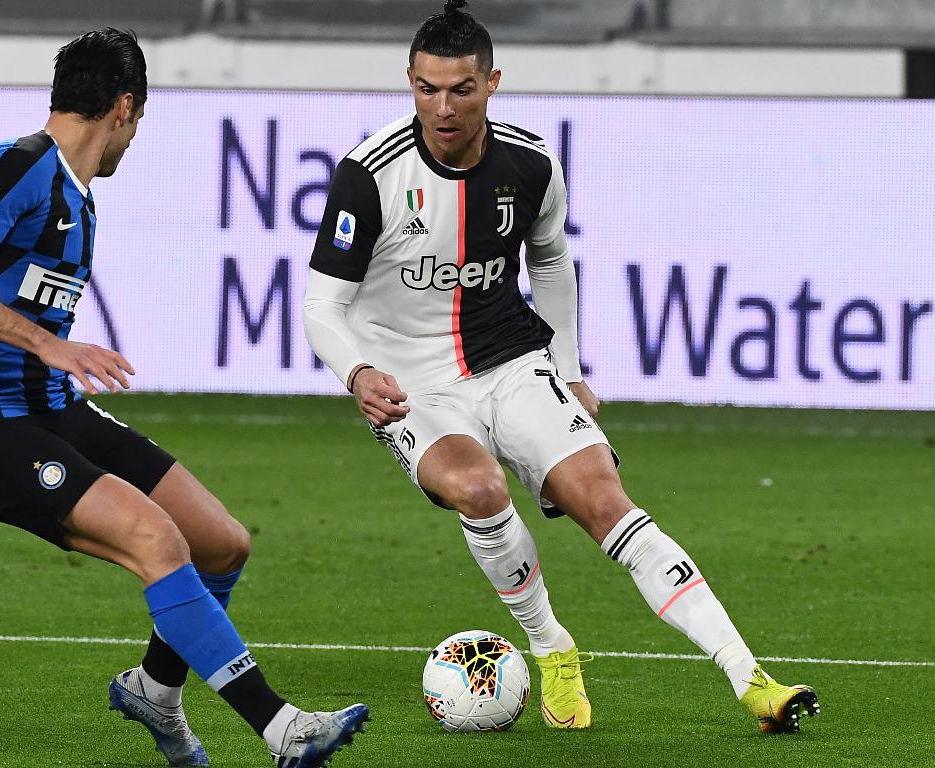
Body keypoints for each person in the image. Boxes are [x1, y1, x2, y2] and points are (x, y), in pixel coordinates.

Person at [302, 0, 819, 734]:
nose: (441, 108)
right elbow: (321, 305)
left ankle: (752, 678)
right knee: (478, 489)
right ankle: (551, 647)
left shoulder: (532, 163)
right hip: (412, 381)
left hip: (510, 358)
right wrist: (357, 373)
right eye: (426, 88)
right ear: (410, 83)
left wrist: (570, 368)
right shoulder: (368, 175)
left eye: (460, 90)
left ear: (493, 83)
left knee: (606, 501)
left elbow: (550, 258)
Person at [0, 28, 368, 767]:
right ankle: (282, 729)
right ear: (125, 107)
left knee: (222, 542)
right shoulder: (20, 166)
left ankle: (155, 692)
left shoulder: (79, 198)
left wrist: (49, 361)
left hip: (51, 409)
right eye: (139, 122)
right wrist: (46, 342)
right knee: (157, 540)